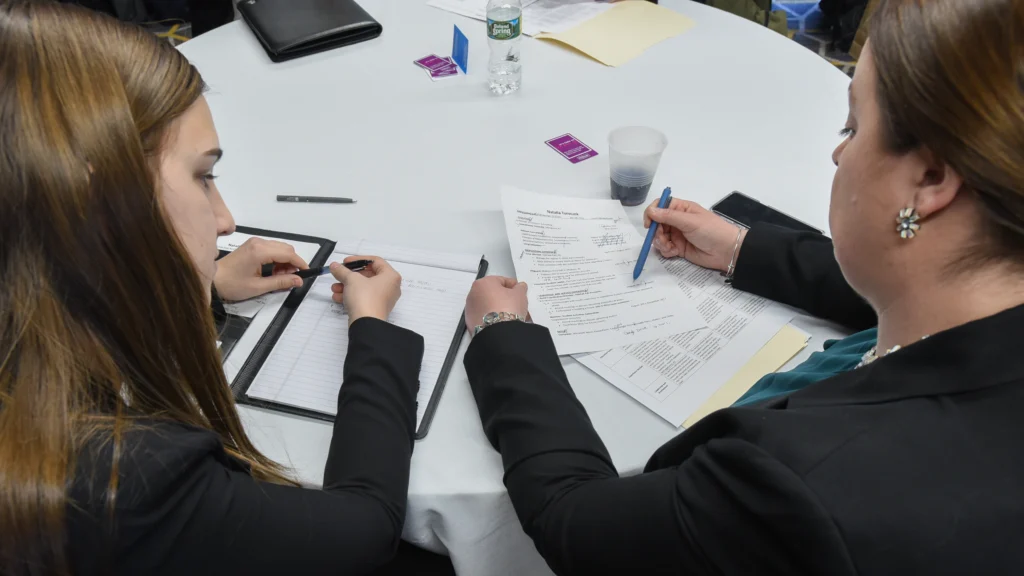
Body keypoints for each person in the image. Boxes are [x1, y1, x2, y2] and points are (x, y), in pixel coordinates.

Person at [460, 0, 1024, 573]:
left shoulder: (802, 484)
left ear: (930, 179)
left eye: (852, 127)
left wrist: (502, 334)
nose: (837, 153)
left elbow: (578, 522)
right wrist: (739, 248)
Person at [0, 2, 445, 574]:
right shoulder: (127, 478)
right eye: (202, 176)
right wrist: (373, 332)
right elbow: (363, 530)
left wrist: (202, 289)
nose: (226, 219)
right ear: (95, 200)